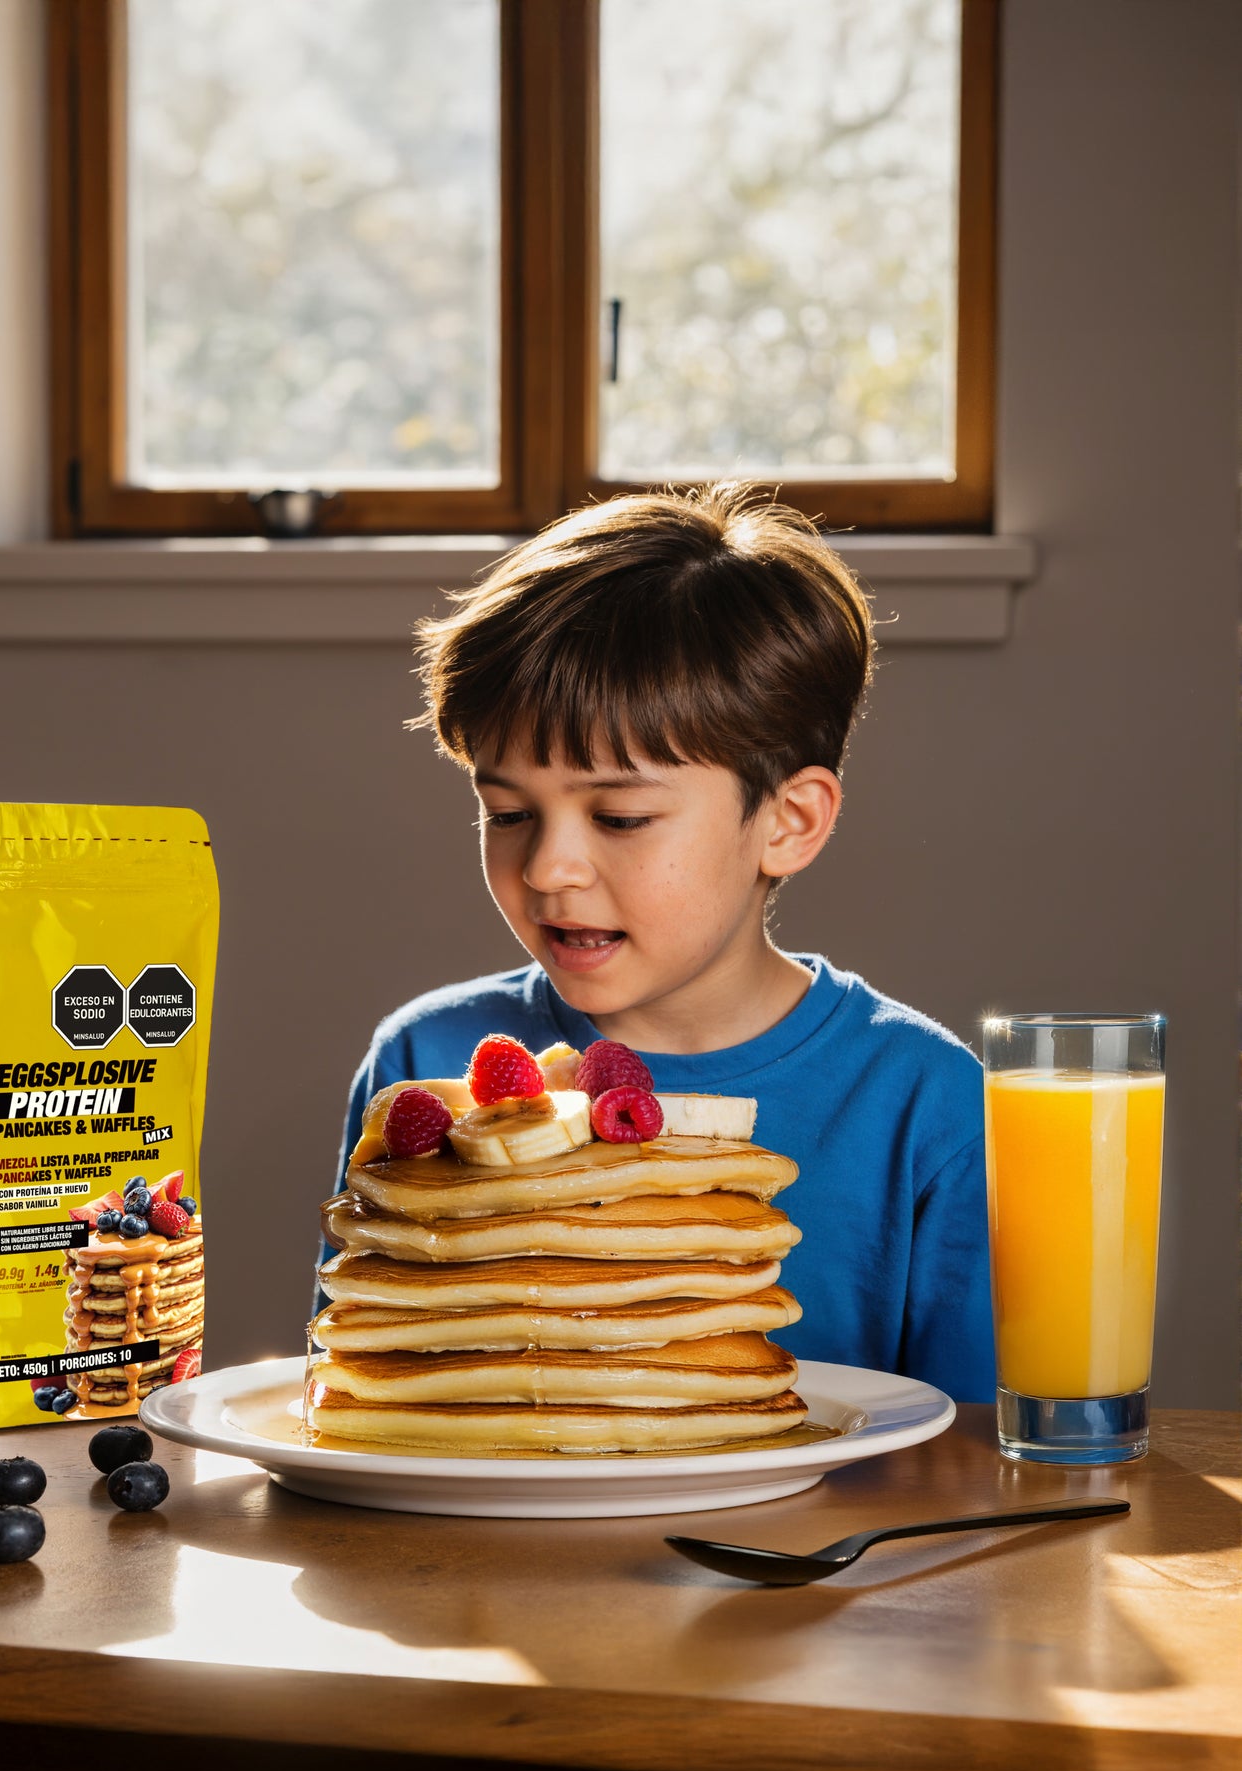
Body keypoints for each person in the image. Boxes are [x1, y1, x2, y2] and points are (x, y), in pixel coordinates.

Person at [330, 484, 994, 1402]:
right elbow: (357, 1384)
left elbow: (974, 1457)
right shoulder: (425, 1063)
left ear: (788, 821)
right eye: (508, 812)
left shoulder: (924, 1104)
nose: (550, 866)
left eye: (623, 816)